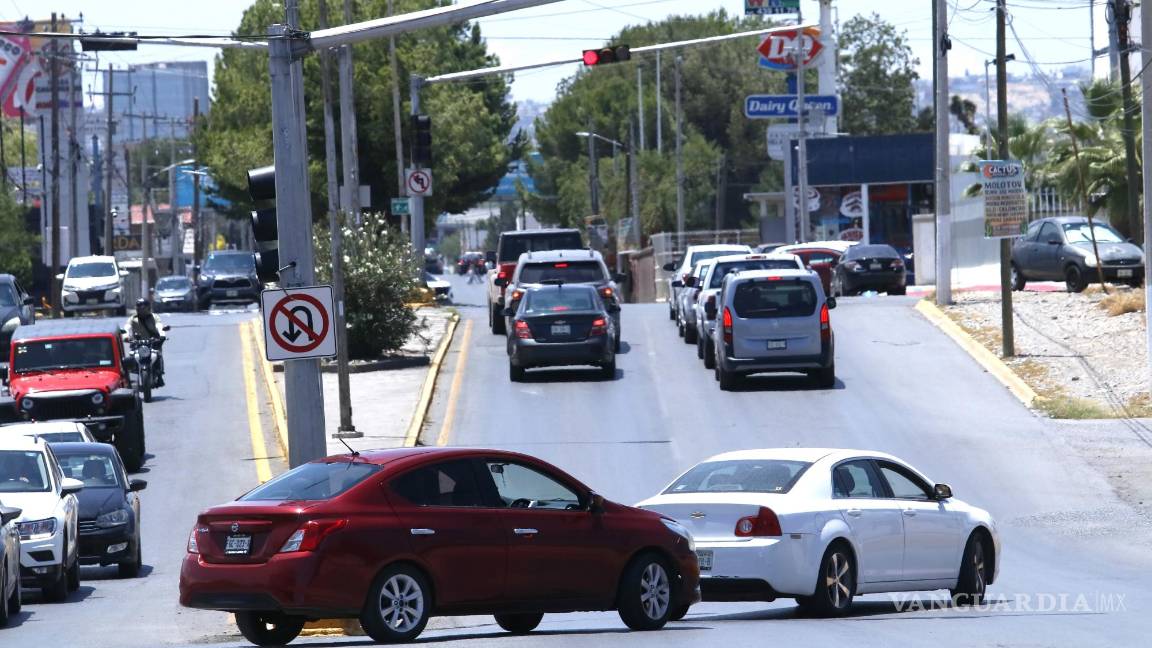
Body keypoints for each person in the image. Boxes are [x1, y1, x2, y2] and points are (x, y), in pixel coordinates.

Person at [128, 298, 166, 387]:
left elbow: (159, 325)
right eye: (140, 308)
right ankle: (131, 378)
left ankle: (159, 374)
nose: (142, 310)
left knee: (158, 354)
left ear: (148, 308)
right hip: (137, 342)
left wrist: (162, 334)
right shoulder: (133, 318)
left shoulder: (155, 317)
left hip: (153, 341)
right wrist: (126, 336)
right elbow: (127, 327)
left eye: (144, 308)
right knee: (131, 357)